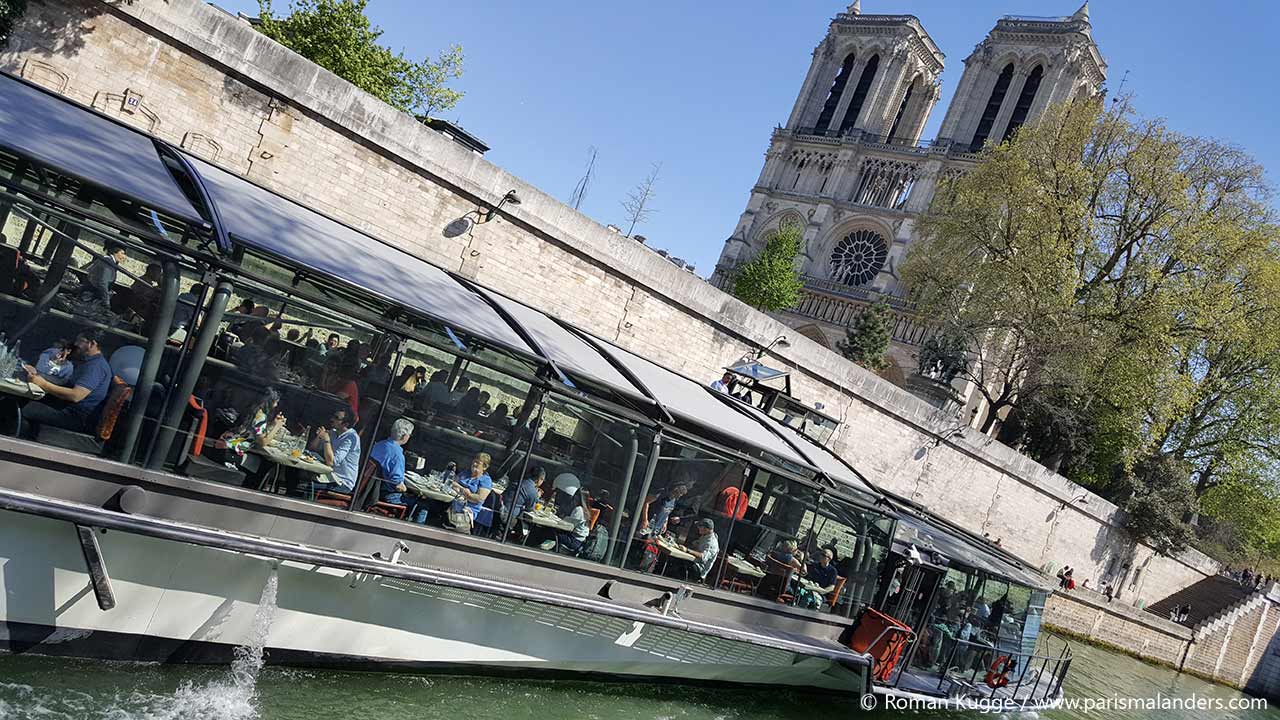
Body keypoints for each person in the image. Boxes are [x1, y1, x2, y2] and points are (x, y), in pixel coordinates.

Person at [18, 329, 113, 435]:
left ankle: (18, 442)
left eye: (80, 341)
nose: (76, 344)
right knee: (22, 399)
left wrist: (43, 384)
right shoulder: (88, 362)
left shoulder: (96, 367)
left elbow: (75, 395)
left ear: (92, 344)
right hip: (65, 406)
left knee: (26, 409)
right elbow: (66, 382)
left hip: (74, 416)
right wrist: (39, 375)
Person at [305, 407, 360, 496]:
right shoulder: (333, 432)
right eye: (333, 416)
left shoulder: (351, 438)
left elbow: (332, 462)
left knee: (307, 486)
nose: (332, 419)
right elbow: (312, 449)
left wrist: (327, 440)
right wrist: (319, 436)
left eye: (336, 418)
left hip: (341, 482)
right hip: (329, 475)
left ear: (345, 424)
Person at [371, 417, 416, 514]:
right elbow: (397, 483)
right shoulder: (397, 454)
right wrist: (406, 489)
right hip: (385, 494)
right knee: (421, 504)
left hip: (371, 488)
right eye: (409, 435)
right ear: (404, 436)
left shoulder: (379, 444)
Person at [450, 452, 494, 524]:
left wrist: (467, 495)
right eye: (474, 462)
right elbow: (452, 482)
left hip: (466, 512)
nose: (474, 464)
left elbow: (479, 498)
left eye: (477, 463)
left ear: (484, 467)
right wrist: (463, 490)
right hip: (452, 504)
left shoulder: (486, 480)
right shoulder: (466, 473)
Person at [80, 241, 127, 306]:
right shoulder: (108, 263)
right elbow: (102, 282)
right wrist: (106, 300)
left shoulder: (105, 261)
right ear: (115, 252)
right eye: (122, 253)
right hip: (92, 298)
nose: (124, 257)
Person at [503, 466, 545, 532]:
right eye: (543, 480)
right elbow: (529, 509)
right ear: (539, 479)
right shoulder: (532, 491)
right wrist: (537, 497)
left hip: (500, 509)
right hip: (509, 517)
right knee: (529, 529)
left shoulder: (519, 481)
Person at [677, 518, 720, 582]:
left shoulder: (711, 543)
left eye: (700, 527)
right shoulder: (704, 536)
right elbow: (694, 544)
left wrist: (687, 550)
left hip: (698, 569)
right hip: (694, 561)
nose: (698, 528)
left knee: (677, 562)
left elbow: (703, 556)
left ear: (706, 529)